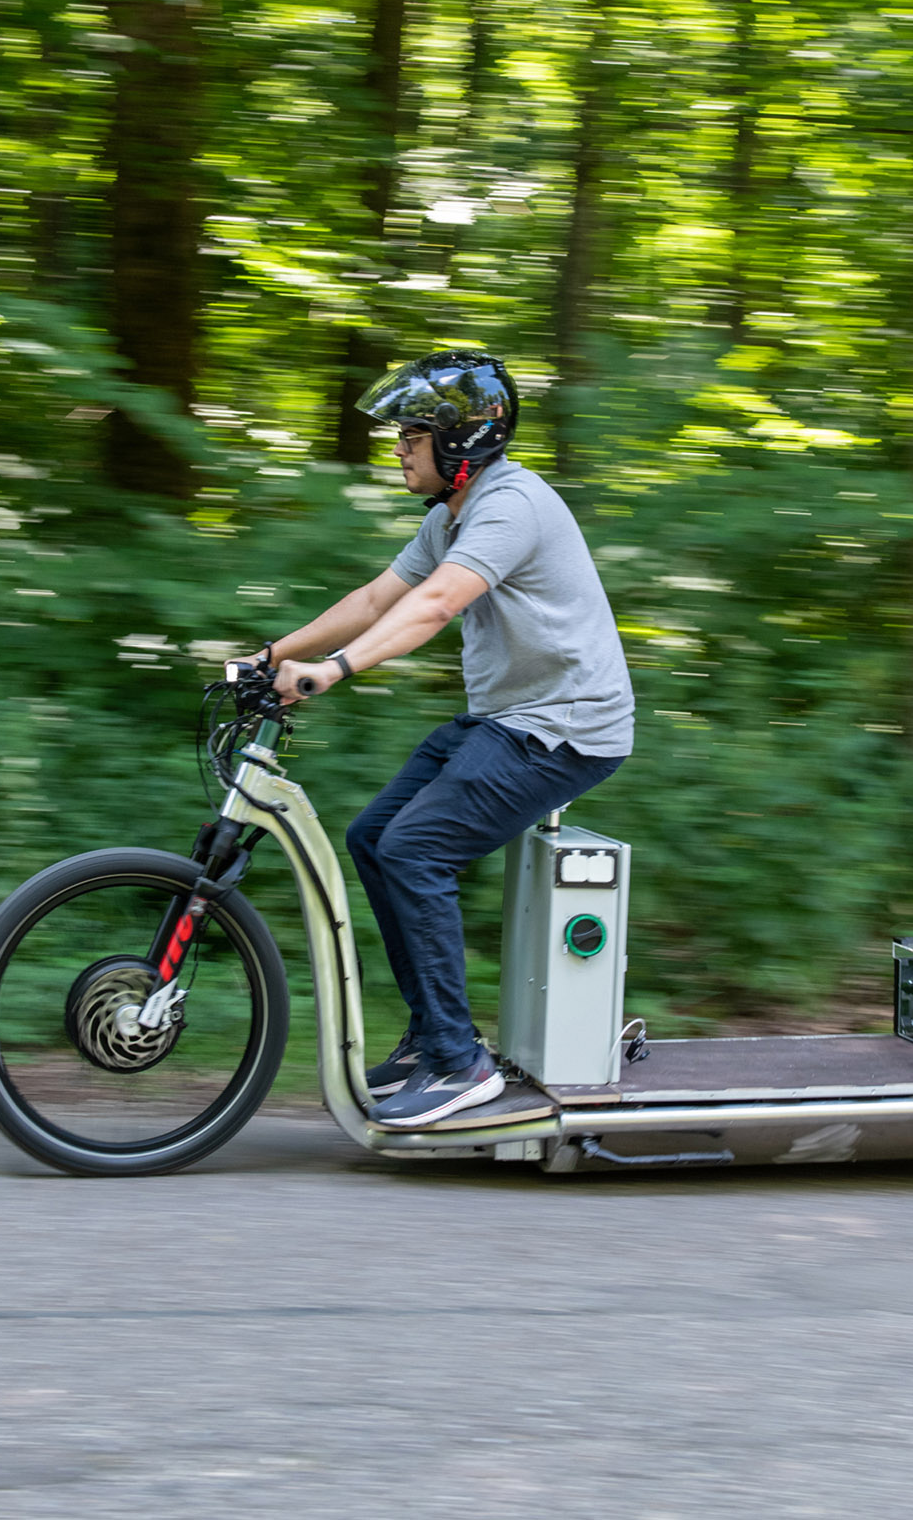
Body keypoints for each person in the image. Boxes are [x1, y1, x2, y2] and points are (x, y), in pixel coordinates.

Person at [234, 351, 635, 1128]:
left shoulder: (510, 505)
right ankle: (432, 1034)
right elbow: (378, 596)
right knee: (375, 836)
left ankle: (461, 1064)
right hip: (511, 716)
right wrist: (272, 654)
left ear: (462, 443)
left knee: (418, 848)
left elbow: (438, 603)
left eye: (411, 437)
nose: (397, 449)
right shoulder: (449, 514)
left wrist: (334, 672)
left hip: (567, 726)